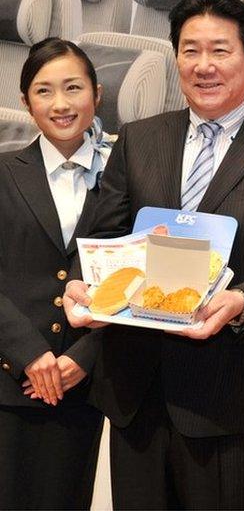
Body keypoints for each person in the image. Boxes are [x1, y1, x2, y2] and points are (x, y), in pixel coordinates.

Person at [64, 0, 244, 509]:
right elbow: (103, 235)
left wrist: (241, 301)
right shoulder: (139, 139)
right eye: (190, 51)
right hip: (137, 393)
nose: (203, 66)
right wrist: (85, 283)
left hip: (234, 395)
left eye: (220, 51)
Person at [0, 38, 107, 509]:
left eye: (72, 88)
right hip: (7, 378)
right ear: (25, 102)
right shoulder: (3, 172)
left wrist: (86, 356)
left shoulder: (125, 176)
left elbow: (140, 279)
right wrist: (28, 353)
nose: (60, 104)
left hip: (80, 388)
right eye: (44, 91)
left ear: (97, 94)